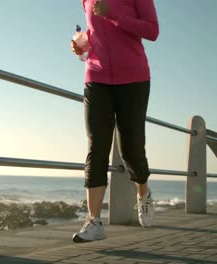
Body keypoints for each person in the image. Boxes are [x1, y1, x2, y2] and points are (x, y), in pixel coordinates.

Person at [71, 0, 159, 243]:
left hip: (133, 78)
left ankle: (143, 193)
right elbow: (94, 32)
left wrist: (113, 15)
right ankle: (94, 221)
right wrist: (83, 45)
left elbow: (152, 31)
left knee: (131, 149)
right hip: (96, 78)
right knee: (97, 145)